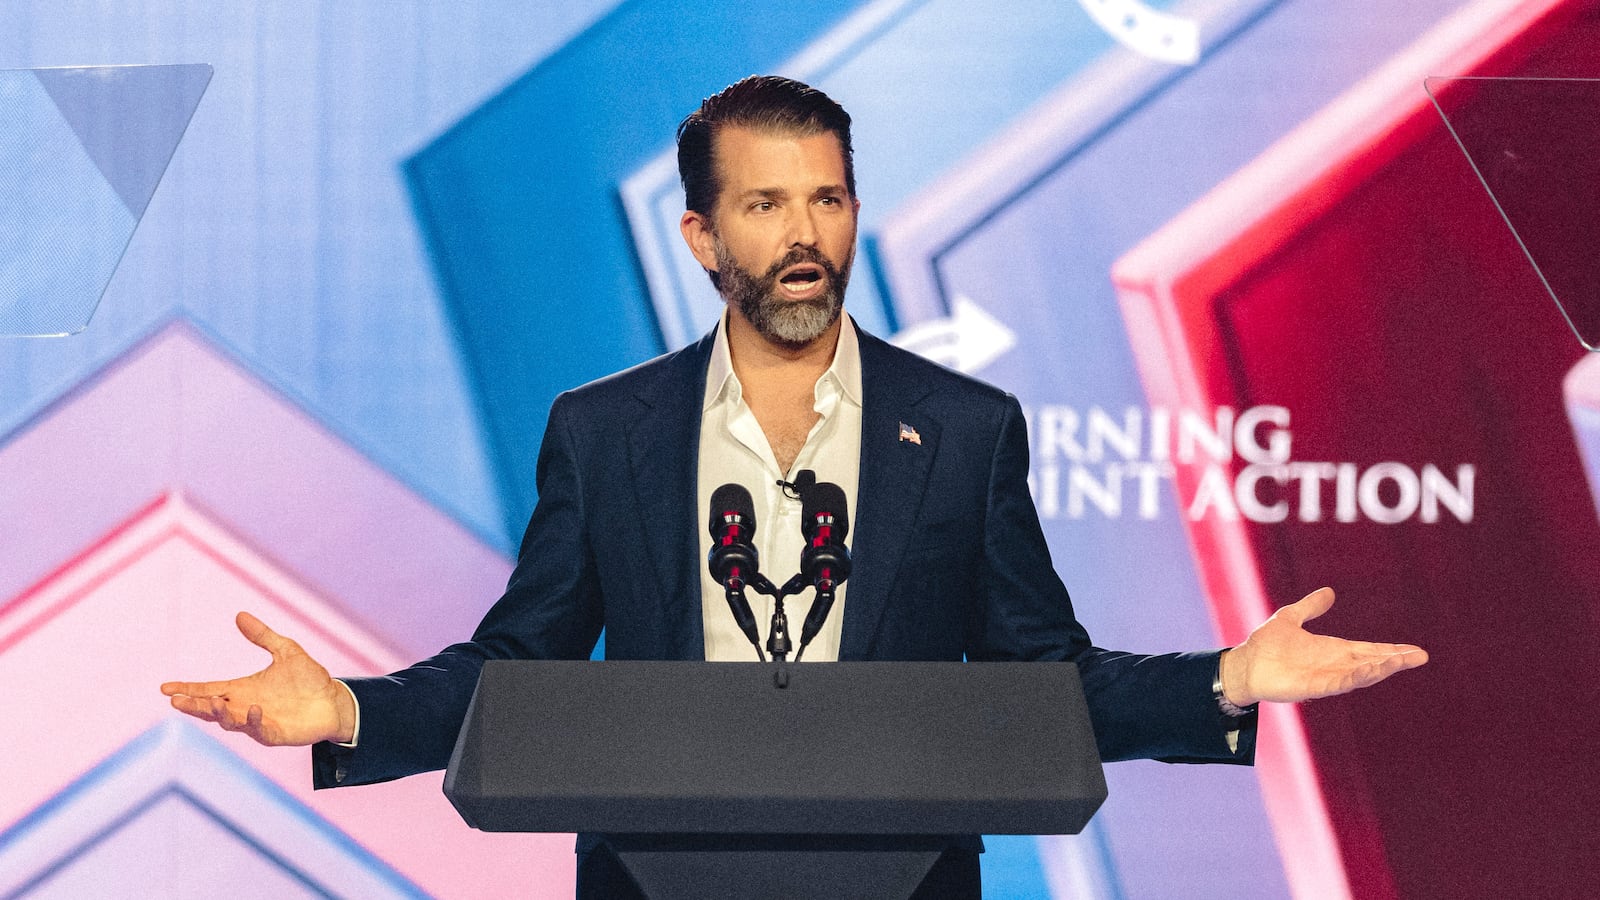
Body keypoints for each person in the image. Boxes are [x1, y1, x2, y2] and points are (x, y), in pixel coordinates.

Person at [162, 75, 1427, 896]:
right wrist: (351, 714)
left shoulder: (964, 428)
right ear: (704, 237)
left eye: (826, 198)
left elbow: (1046, 686)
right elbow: (522, 667)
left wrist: (1224, 680)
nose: (804, 233)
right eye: (765, 203)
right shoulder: (605, 432)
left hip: (903, 876)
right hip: (657, 878)